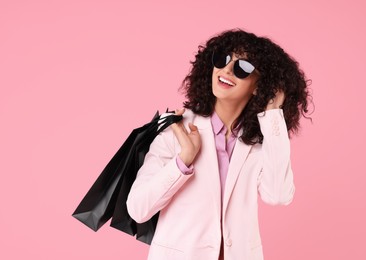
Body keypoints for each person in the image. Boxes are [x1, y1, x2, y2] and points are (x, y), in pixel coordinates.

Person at [126, 28, 311, 260]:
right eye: (222, 59)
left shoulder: (260, 141)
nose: (226, 70)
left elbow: (278, 195)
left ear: (259, 86)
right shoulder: (177, 128)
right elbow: (138, 209)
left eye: (242, 68)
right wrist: (183, 161)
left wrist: (273, 115)